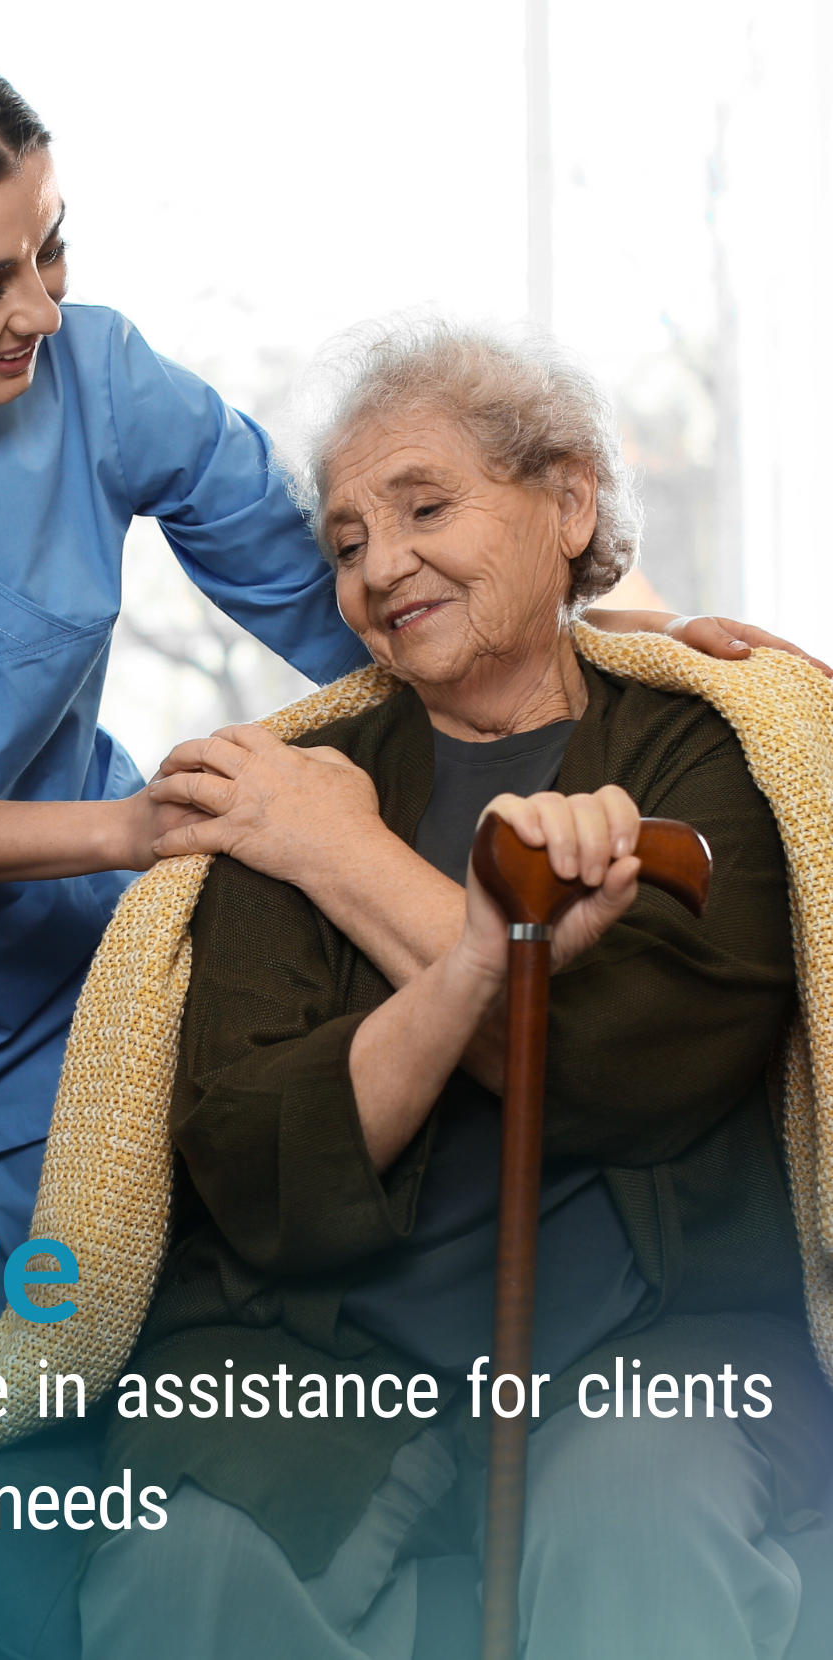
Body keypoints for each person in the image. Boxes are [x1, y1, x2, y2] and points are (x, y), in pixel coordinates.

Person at [0, 32, 808, 1314]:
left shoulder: (98, 374)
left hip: (68, 988)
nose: (40, 311)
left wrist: (617, 626)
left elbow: (347, 576)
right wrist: (127, 828)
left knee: (78, 1378)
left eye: (51, 246)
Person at [78, 319, 832, 1660]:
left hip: (664, 1337)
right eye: (349, 542)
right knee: (188, 1558)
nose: (380, 565)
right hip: (338, 1345)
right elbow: (251, 1167)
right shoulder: (291, 782)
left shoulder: (717, 747)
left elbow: (633, 1071)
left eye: (426, 507)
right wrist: (337, 852)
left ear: (568, 500)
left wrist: (345, 854)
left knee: (635, 1519)